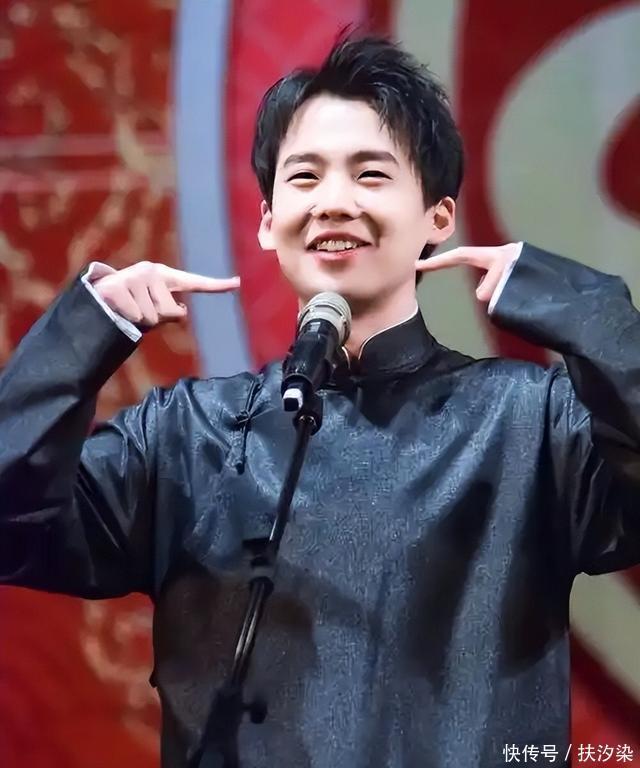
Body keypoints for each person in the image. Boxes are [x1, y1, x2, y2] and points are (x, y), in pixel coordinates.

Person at [0, 34, 638, 768]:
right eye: (304, 177)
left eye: (371, 175)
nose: (334, 203)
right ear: (267, 221)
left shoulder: (530, 423)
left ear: (439, 218)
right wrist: (86, 331)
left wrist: (580, 310)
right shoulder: (186, 435)